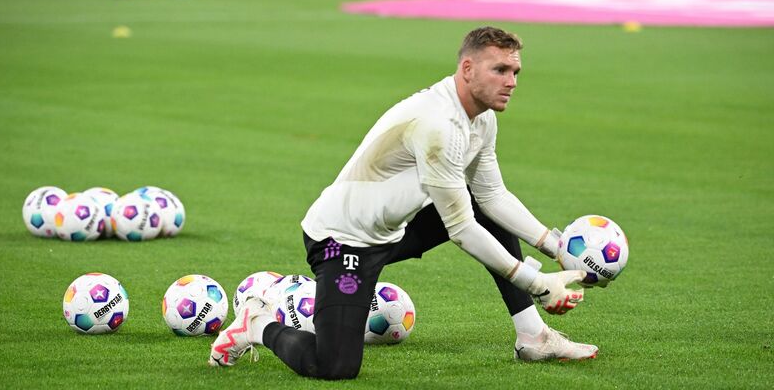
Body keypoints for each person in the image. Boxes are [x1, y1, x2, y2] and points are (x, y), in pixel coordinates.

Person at [209, 26, 597, 379]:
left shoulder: (481, 119)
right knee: (334, 367)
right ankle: (256, 324)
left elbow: (493, 195)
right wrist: (538, 283)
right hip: (341, 242)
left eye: (515, 72)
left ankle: (534, 337)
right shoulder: (437, 126)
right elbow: (461, 230)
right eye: (500, 70)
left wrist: (558, 248)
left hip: (393, 230)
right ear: (467, 69)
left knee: (480, 205)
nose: (511, 82)